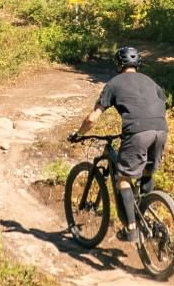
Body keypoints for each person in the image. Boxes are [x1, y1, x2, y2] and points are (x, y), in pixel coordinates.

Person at [70, 46, 166, 241]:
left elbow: (93, 118)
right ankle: (146, 212)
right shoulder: (151, 81)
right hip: (161, 130)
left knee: (122, 177)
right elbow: (162, 104)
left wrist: (78, 134)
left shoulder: (114, 83)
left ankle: (132, 229)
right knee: (147, 172)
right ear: (138, 63)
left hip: (138, 132)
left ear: (119, 64)